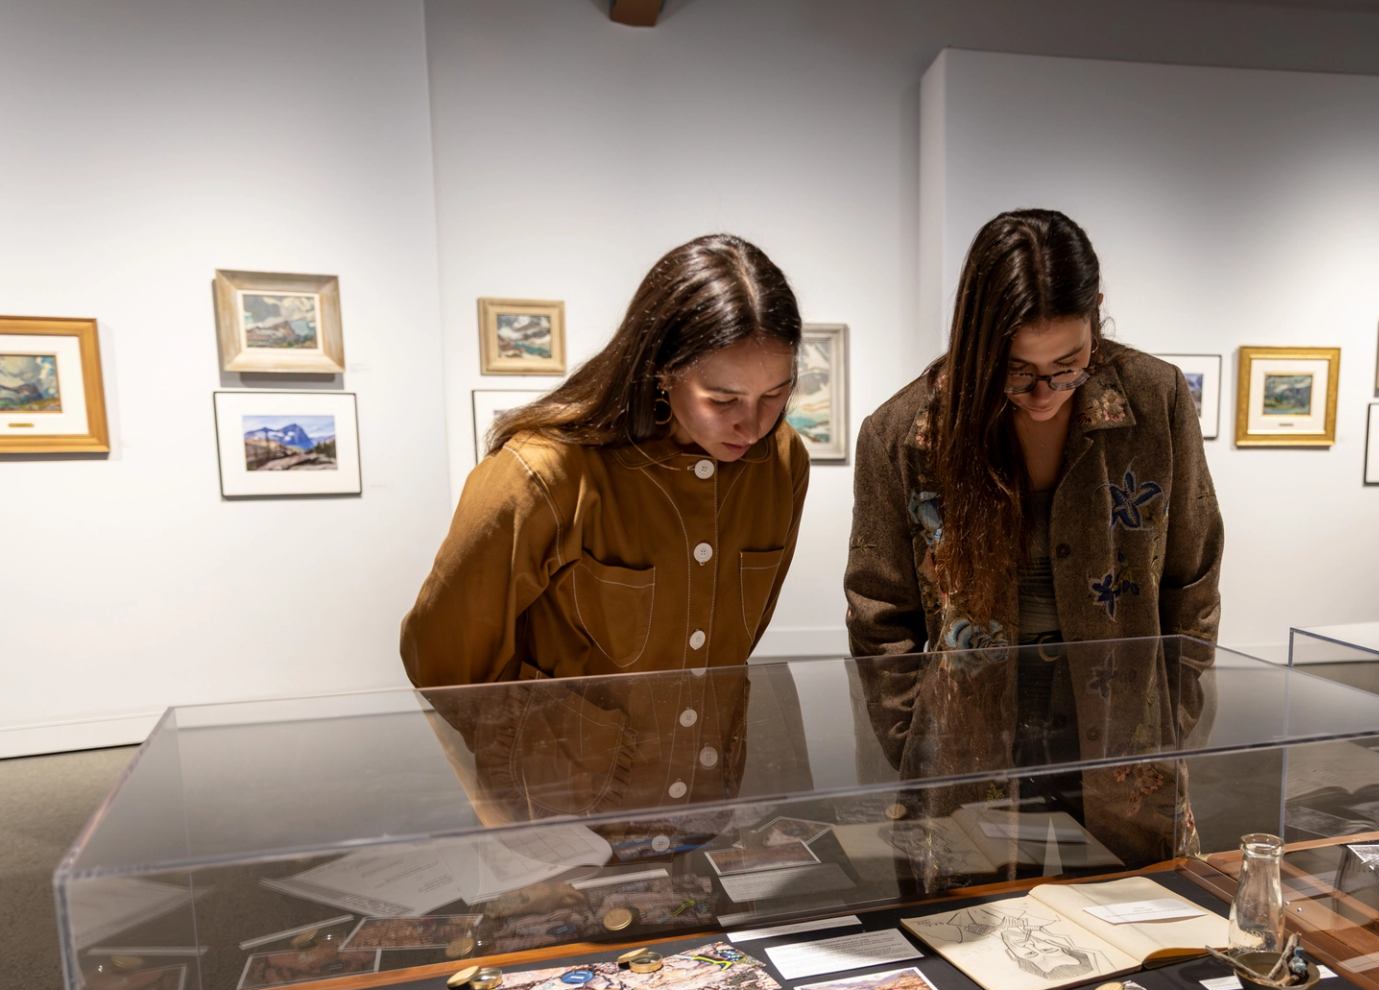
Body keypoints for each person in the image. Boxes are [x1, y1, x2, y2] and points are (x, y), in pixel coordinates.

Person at [401, 234, 809, 687]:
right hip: (562, 759)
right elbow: (441, 660)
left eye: (775, 394)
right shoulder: (541, 472)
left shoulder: (782, 461)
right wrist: (544, 740)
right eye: (723, 400)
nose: (752, 427)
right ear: (661, 370)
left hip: (718, 756)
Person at [845, 208, 1223, 657]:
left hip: (1122, 716)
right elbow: (880, 617)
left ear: (1095, 314)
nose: (1044, 395)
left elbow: (1193, 579)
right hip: (967, 719)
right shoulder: (901, 434)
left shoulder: (1158, 399)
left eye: (1067, 366)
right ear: (975, 341)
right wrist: (905, 727)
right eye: (1016, 370)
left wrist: (1178, 713)